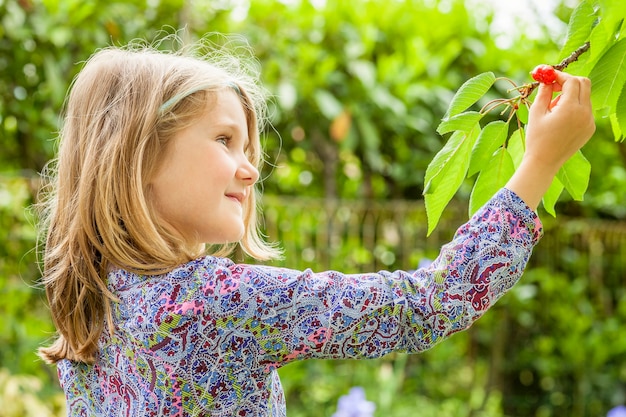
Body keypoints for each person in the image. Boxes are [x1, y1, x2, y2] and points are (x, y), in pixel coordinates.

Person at [37, 35, 595, 417]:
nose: (250, 167)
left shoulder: (94, 312)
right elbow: (431, 303)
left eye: (249, 146)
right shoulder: (210, 301)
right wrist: (539, 164)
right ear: (140, 157)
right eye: (224, 140)